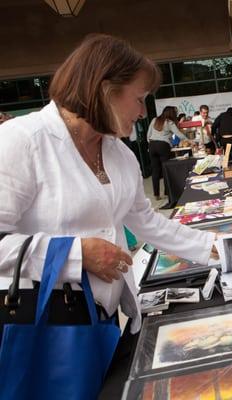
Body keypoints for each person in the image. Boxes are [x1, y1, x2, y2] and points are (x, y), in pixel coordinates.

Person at [0, 34, 216, 338]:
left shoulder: (120, 153)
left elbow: (147, 221)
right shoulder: (22, 141)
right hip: (44, 327)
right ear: (105, 90)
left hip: (102, 320)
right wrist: (76, 254)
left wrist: (213, 247)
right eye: (139, 99)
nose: (143, 113)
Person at [147, 105, 187, 200]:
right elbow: (178, 134)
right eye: (175, 112)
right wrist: (190, 141)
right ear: (171, 113)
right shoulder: (169, 122)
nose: (176, 114)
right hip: (163, 146)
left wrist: (151, 143)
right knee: (165, 169)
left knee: (155, 170)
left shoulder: (154, 120)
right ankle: (167, 192)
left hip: (152, 145)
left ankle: (156, 194)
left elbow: (148, 135)